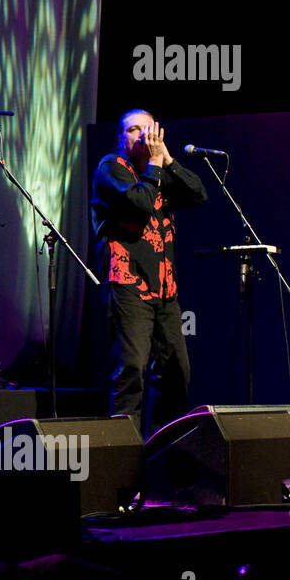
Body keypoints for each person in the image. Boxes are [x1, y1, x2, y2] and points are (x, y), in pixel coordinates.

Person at [91, 109, 207, 438]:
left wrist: (168, 160)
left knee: (176, 373)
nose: (141, 136)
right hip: (128, 285)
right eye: (133, 130)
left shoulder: (158, 170)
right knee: (131, 371)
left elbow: (199, 193)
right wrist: (154, 166)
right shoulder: (111, 168)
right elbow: (140, 204)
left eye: (148, 129)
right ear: (120, 138)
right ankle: (122, 467)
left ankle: (158, 456)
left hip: (165, 290)